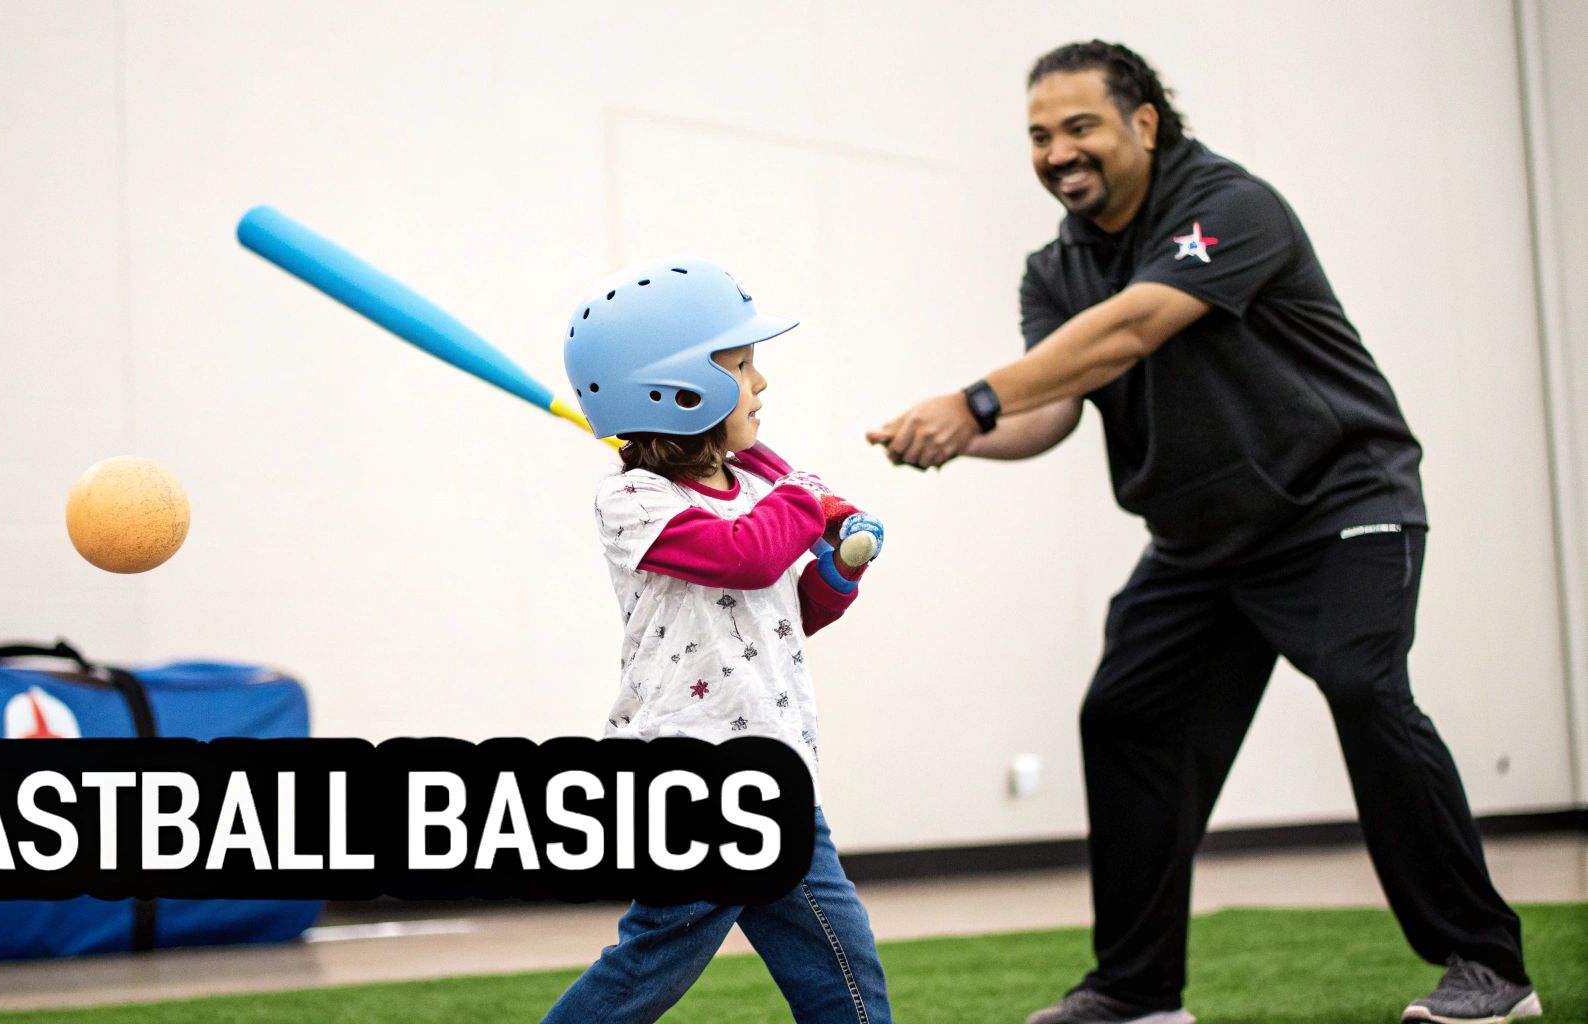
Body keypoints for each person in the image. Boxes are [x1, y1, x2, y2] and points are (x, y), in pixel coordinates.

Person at [868, 40, 1538, 1024]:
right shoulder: (1055, 269)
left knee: (1362, 685)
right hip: (1198, 541)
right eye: (1039, 136)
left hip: (1336, 505)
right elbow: (1055, 404)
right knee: (1124, 715)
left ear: (1143, 123)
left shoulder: (1229, 205)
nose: (1058, 152)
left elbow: (1133, 327)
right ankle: (1136, 991)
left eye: (1080, 127)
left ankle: (1486, 966)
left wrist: (970, 400)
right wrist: (958, 438)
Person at [543, 256, 892, 1023]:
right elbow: (747, 556)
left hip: (776, 768)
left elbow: (782, 614)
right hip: (697, 783)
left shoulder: (757, 492)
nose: (760, 384)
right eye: (740, 366)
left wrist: (838, 570)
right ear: (676, 391)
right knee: (651, 965)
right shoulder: (635, 501)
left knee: (843, 966)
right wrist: (807, 494)